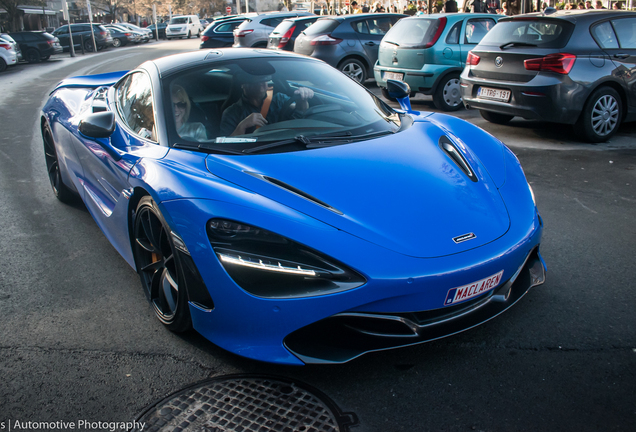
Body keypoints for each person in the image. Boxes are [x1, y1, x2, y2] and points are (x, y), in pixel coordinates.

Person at [220, 74, 314, 137]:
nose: (261, 83)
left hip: (285, 143)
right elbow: (225, 144)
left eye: (264, 79)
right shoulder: (231, 112)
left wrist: (302, 99)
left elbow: (300, 113)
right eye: (254, 80)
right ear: (242, 85)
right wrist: (242, 126)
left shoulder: (279, 99)